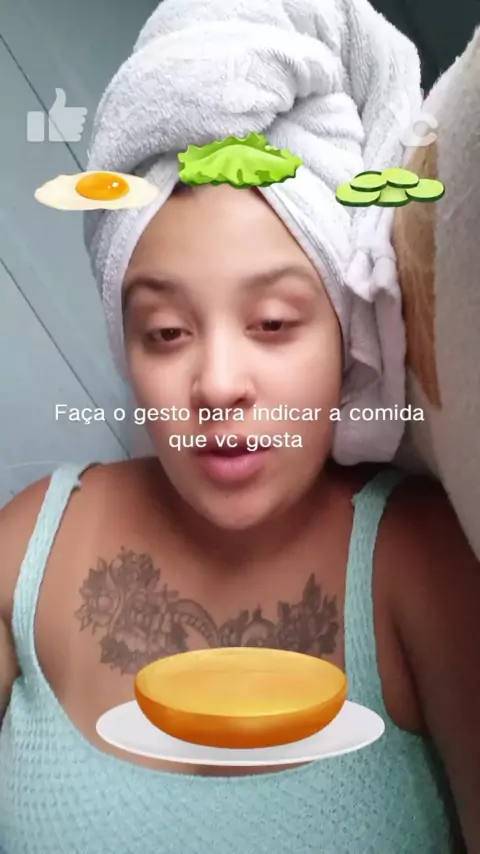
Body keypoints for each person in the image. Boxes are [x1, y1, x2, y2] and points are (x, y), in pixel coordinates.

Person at [0, 179, 479, 853]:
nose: (219, 386)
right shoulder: (31, 543)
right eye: (166, 332)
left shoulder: (422, 560)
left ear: (347, 338)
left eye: (274, 323)